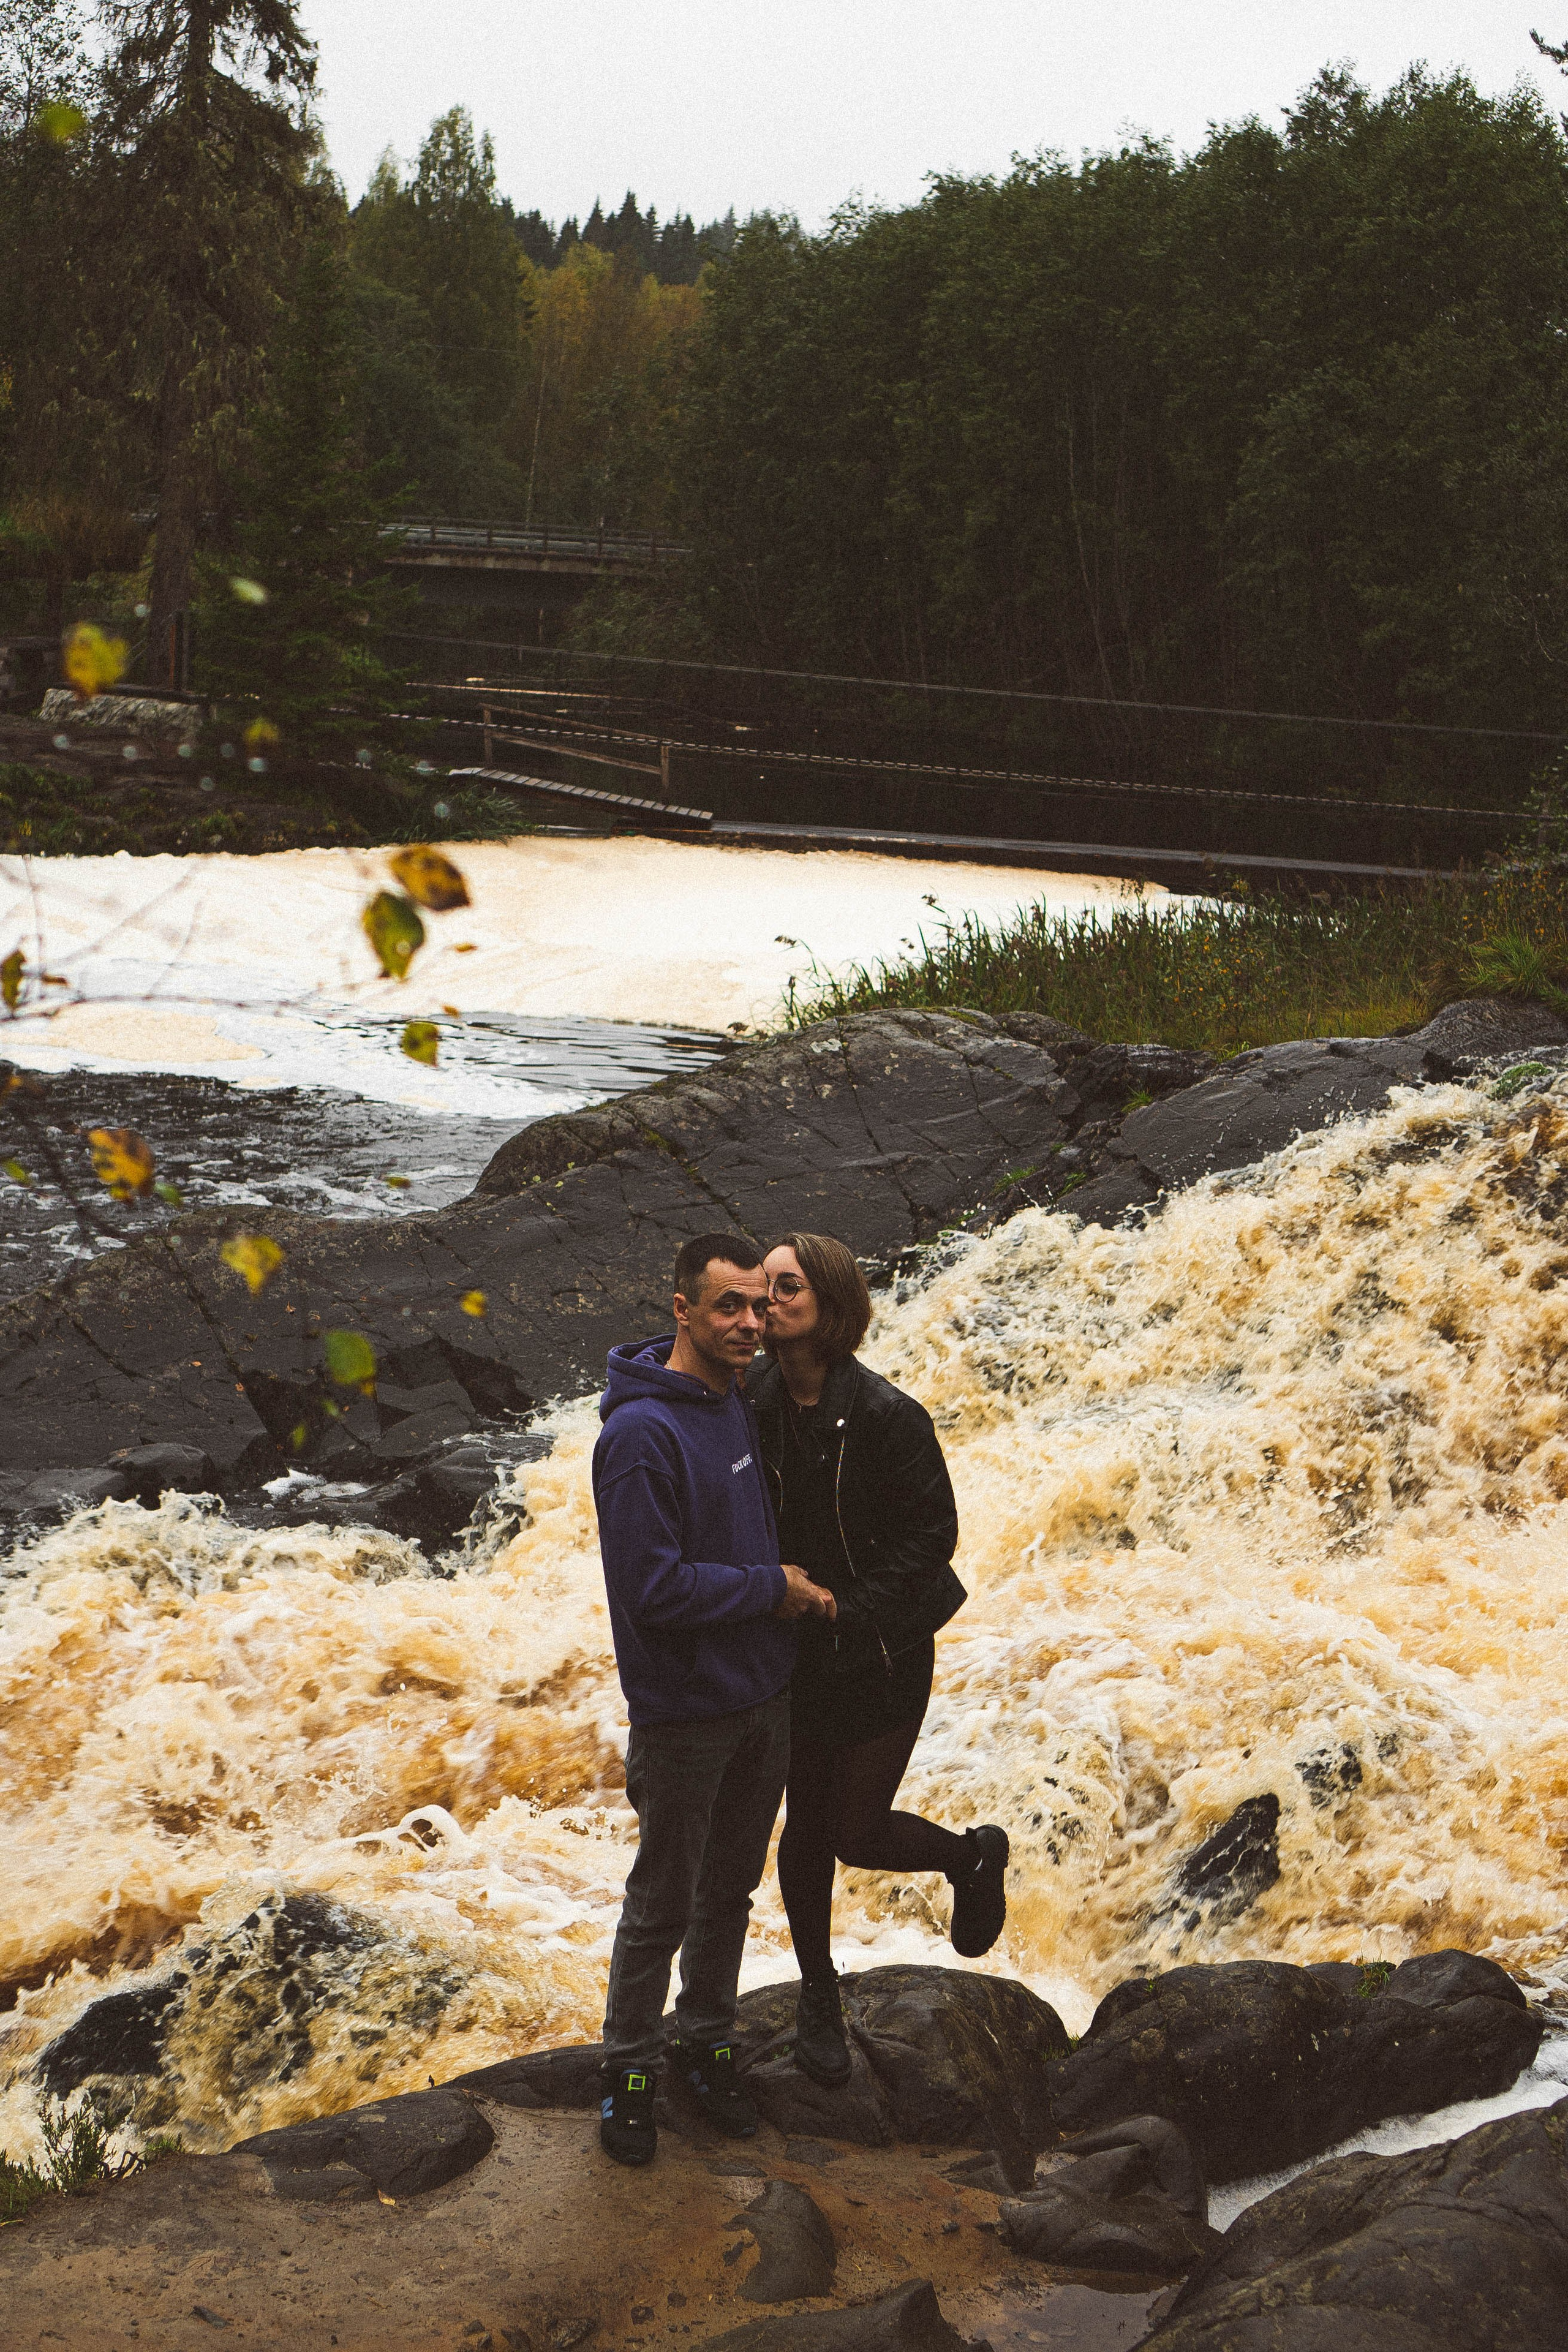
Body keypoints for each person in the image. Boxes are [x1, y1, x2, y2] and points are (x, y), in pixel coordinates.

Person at [592, 1232, 837, 2166]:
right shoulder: (639, 1437)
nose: (749, 1322)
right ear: (682, 1311)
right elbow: (654, 1589)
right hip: (685, 1711)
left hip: (760, 1696)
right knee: (662, 1901)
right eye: (728, 1306)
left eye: (758, 1305)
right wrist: (772, 1590)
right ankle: (629, 2074)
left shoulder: (732, 1398)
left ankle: (706, 2044)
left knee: (729, 1891)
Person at [748, 1231, 1010, 2089]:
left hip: (885, 1647)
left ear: (830, 1305)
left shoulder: (891, 1416)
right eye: (763, 1288)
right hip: (797, 1644)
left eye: (786, 1287)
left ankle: (971, 1858)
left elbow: (933, 1537)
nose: (769, 1300)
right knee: (806, 1828)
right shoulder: (749, 1398)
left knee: (856, 1833)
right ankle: (818, 1994)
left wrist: (843, 1609)